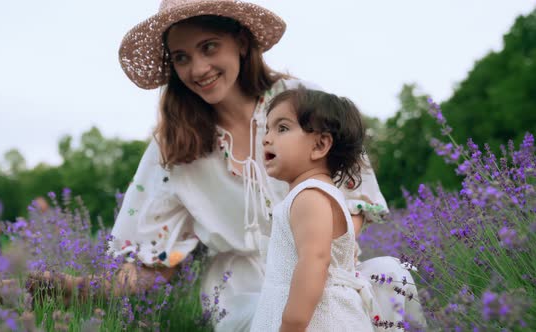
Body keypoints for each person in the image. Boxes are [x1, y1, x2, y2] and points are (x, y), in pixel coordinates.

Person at [32, 0, 424, 330]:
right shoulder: (173, 145)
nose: (197, 69)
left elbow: (356, 199)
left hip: (324, 267)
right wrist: (79, 287)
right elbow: (155, 263)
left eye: (209, 47)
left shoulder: (292, 103)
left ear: (239, 40)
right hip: (240, 291)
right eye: (181, 58)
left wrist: (314, 258)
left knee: (393, 276)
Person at [251, 87, 380, 331]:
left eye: (282, 128)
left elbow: (315, 260)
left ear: (320, 145)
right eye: (267, 129)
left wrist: (291, 325)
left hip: (317, 322)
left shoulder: (309, 196)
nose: (266, 138)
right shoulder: (319, 194)